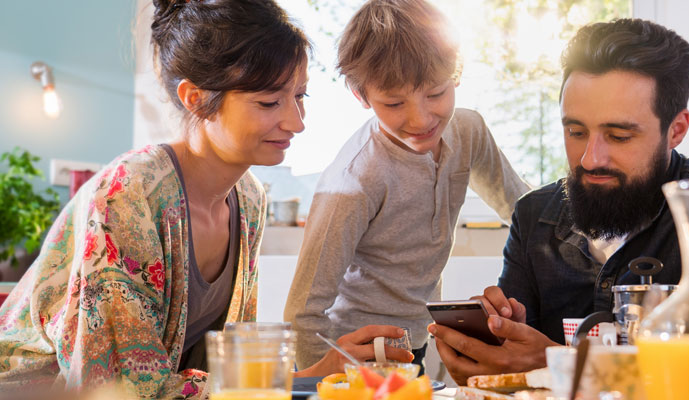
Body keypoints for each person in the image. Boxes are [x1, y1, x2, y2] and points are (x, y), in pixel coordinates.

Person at [0, 0, 408, 397]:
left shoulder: (248, 200)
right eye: (269, 102)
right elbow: (115, 387)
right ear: (194, 98)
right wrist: (304, 379)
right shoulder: (128, 195)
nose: (295, 122)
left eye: (300, 96)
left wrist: (316, 375)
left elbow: (222, 368)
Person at [429, 18, 689, 385]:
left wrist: (555, 362)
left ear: (675, 130)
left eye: (618, 135)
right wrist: (495, 347)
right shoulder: (534, 215)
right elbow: (514, 365)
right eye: (576, 132)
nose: (590, 159)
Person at [283, 0, 530, 371]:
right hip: (355, 352)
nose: (421, 119)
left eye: (435, 93)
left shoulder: (468, 132)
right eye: (395, 103)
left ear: (456, 73)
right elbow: (302, 311)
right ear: (362, 96)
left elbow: (523, 208)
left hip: (417, 338)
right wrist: (320, 382)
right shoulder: (354, 181)